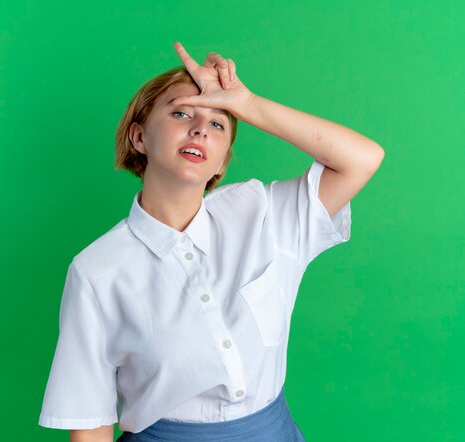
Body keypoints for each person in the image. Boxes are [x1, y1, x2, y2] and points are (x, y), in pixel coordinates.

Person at [38, 42, 384, 441]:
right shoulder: (96, 271)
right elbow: (89, 419)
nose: (200, 128)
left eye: (218, 123)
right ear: (139, 138)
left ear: (222, 161)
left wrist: (247, 103)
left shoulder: (263, 214)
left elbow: (362, 158)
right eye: (181, 112)